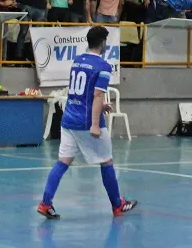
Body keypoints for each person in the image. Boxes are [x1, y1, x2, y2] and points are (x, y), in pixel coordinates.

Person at [36, 26, 138, 219]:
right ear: (103, 43)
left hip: (69, 119)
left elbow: (83, 92)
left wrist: (101, 105)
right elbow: (97, 94)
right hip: (86, 121)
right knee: (106, 161)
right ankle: (118, 205)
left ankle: (45, 203)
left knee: (63, 162)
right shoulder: (104, 66)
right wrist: (94, 124)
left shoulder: (78, 61)